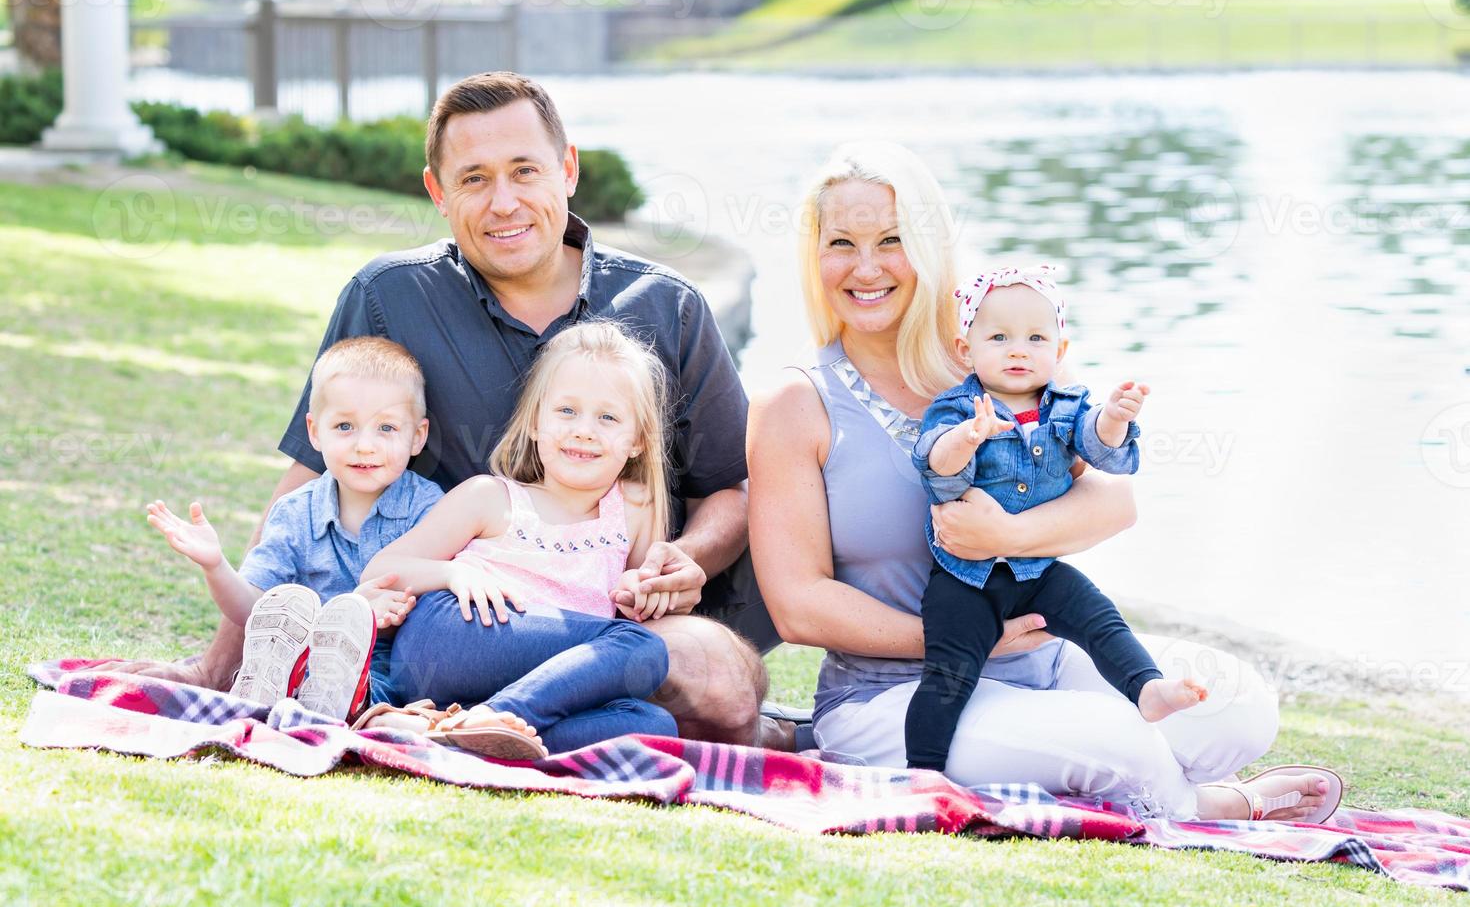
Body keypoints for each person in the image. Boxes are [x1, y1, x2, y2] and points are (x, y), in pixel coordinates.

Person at [103, 71, 775, 748]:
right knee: (678, 672)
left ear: (567, 170)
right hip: (459, 620)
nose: (503, 202)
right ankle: (456, 705)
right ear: (437, 191)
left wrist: (684, 557)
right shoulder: (388, 298)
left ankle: (442, 726)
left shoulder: (667, 307)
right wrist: (224, 661)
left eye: (524, 171)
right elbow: (312, 483)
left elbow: (731, 488)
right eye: (474, 178)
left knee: (707, 693)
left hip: (604, 614)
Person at [746, 140, 1336, 821]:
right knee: (1121, 743)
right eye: (841, 243)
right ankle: (1207, 802)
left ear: (931, 247)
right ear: (813, 257)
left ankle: (1086, 764)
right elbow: (798, 604)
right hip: (894, 695)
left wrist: (1012, 532)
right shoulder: (794, 405)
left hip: (1045, 658)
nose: (867, 266)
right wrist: (966, 640)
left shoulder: (1001, 352)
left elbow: (1114, 497)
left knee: (1238, 706)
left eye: (892, 240)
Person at [905, 264, 1206, 772]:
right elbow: (938, 471)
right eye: (999, 337)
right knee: (949, 674)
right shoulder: (957, 408)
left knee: (1100, 618)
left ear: (1059, 351)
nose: (1018, 349)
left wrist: (1112, 418)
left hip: (1036, 572)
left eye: (1035, 338)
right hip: (965, 579)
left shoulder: (1065, 405)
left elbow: (1098, 450)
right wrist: (968, 438)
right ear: (966, 350)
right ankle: (923, 772)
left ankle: (1148, 688)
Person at [359, 322, 678, 756]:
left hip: (532, 675)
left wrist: (640, 595)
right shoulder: (491, 497)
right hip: (454, 634)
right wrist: (452, 573)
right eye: (566, 411)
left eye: (607, 417)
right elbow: (380, 571)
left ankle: (451, 728)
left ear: (638, 440)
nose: (584, 430)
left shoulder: (635, 510)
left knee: (656, 725)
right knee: (643, 650)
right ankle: (494, 716)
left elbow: (634, 610)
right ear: (534, 422)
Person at [145, 337, 441, 720]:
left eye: (386, 428)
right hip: (296, 657)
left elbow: (427, 611)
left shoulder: (429, 509)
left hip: (380, 670)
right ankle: (275, 687)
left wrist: (369, 615)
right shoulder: (295, 512)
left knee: (386, 683)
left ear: (416, 436)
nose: (364, 446)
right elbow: (250, 608)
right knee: (283, 614)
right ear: (315, 432)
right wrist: (215, 565)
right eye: (345, 426)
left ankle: (324, 701)